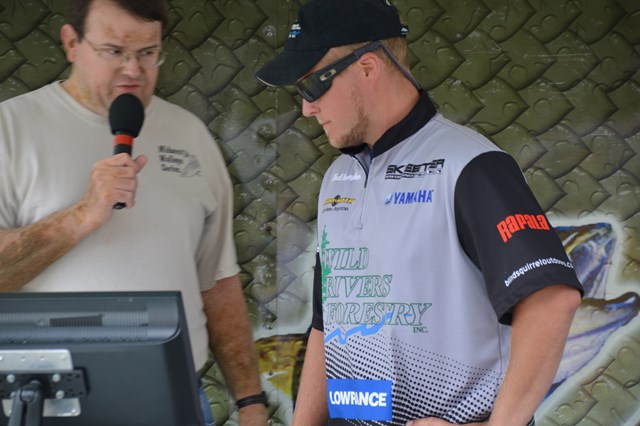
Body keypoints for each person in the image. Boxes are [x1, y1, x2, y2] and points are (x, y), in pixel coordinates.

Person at [256, 0, 584, 425]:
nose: (306, 108)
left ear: (368, 68)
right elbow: (327, 320)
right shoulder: (338, 178)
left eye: (311, 87)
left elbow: (552, 298)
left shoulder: (470, 165)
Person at [0, 0, 268, 425]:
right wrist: (82, 215)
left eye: (147, 53)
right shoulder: (11, 130)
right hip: (50, 403)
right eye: (114, 51)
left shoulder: (190, 136)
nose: (133, 70)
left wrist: (251, 401)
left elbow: (217, 282)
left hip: (175, 398)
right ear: (71, 43)